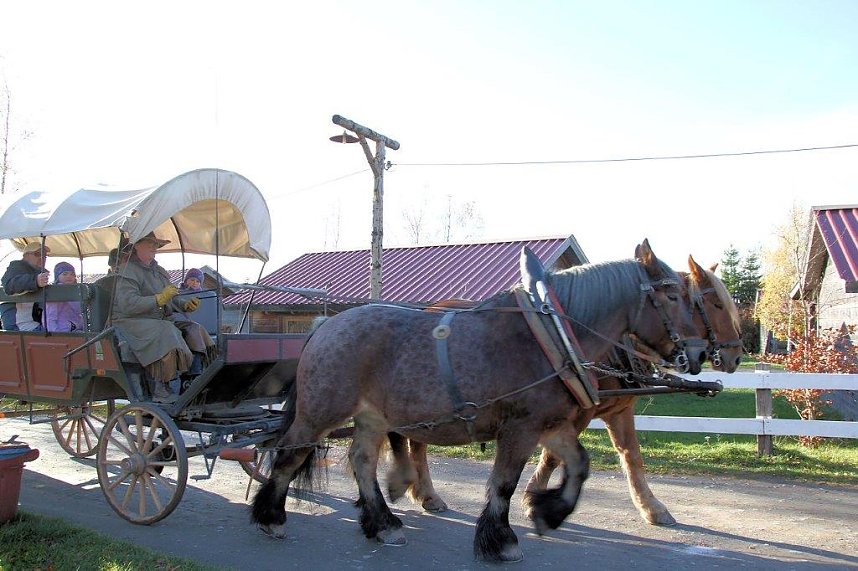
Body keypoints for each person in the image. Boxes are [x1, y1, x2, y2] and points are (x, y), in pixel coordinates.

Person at [112, 231, 214, 403]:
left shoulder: (159, 272)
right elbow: (127, 304)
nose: (155, 247)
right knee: (167, 330)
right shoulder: (127, 271)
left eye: (156, 244)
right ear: (136, 245)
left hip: (157, 319)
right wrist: (158, 299)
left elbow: (171, 297)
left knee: (195, 328)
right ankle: (161, 388)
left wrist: (184, 305)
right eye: (150, 243)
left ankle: (194, 380)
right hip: (130, 322)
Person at [1, 243, 51, 331]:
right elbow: (9, 285)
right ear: (25, 255)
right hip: (19, 326)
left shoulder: (39, 274)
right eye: (37, 254)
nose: (42, 258)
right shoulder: (15, 268)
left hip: (34, 322)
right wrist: (35, 281)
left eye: (44, 256)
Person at [45, 262, 84, 332]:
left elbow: (79, 310)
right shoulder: (55, 292)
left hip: (76, 328)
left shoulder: (76, 291)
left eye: (72, 274)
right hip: (61, 331)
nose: (69, 276)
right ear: (57, 276)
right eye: (65, 274)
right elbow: (50, 316)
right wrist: (55, 334)